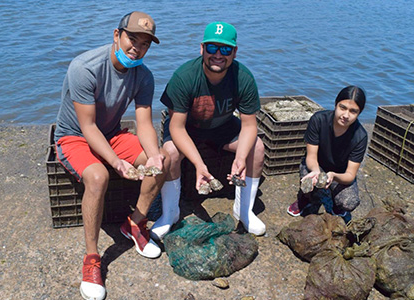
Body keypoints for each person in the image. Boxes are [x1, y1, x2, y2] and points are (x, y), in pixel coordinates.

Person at [53, 11, 168, 300]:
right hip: (74, 135)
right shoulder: (85, 67)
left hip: (111, 133)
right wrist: (116, 162)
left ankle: (134, 224)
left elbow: (143, 123)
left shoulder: (144, 76)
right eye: (132, 38)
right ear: (117, 35)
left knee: (161, 161)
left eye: (144, 43)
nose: (136, 48)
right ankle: (92, 259)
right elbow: (87, 126)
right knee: (98, 176)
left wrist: (153, 156)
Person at [150, 21, 266, 240]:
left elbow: (250, 125)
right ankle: (170, 213)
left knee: (257, 148)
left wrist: (240, 158)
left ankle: (243, 211)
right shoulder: (184, 77)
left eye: (226, 49)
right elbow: (176, 127)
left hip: (222, 127)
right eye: (212, 48)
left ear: (235, 52)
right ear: (202, 48)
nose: (218, 55)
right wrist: (198, 164)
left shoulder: (243, 77)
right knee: (170, 153)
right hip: (188, 129)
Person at [286, 86, 368, 223]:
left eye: (353, 111)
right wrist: (317, 173)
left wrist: (333, 176)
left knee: (349, 202)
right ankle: (305, 199)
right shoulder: (319, 120)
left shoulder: (360, 136)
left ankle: (336, 205)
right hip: (317, 165)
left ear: (359, 113)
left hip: (339, 173)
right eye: (343, 108)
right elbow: (311, 157)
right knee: (308, 181)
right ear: (336, 104)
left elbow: (350, 175)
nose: (346, 115)